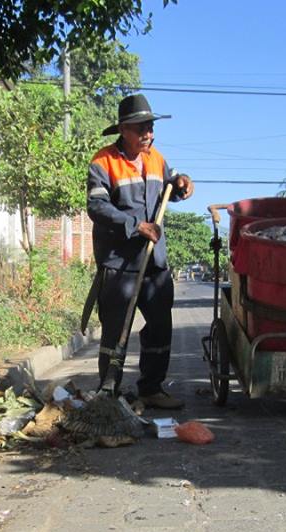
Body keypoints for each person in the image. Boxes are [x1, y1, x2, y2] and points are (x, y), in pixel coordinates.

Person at [86, 93, 194, 410]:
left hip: (155, 264)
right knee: (116, 332)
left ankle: (151, 388)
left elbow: (170, 187)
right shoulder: (103, 162)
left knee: (160, 326)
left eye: (150, 126)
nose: (149, 133)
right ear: (124, 129)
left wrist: (182, 183)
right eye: (141, 127)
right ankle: (109, 393)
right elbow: (97, 207)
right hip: (120, 264)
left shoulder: (156, 158)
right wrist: (136, 225)